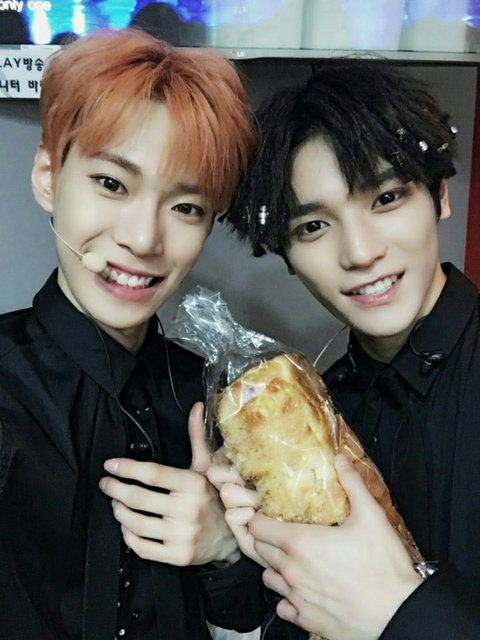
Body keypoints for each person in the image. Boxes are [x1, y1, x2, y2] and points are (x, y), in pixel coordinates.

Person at [0, 28, 265, 640]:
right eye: (112, 184)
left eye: (186, 207)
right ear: (48, 175)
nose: (143, 239)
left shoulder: (211, 393)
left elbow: (247, 612)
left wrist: (223, 547)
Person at [210, 60, 480, 639]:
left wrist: (397, 616)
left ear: (439, 194)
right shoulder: (315, 407)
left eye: (386, 197)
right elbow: (272, 610)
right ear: (285, 253)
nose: (359, 252)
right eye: (312, 227)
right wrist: (228, 545)